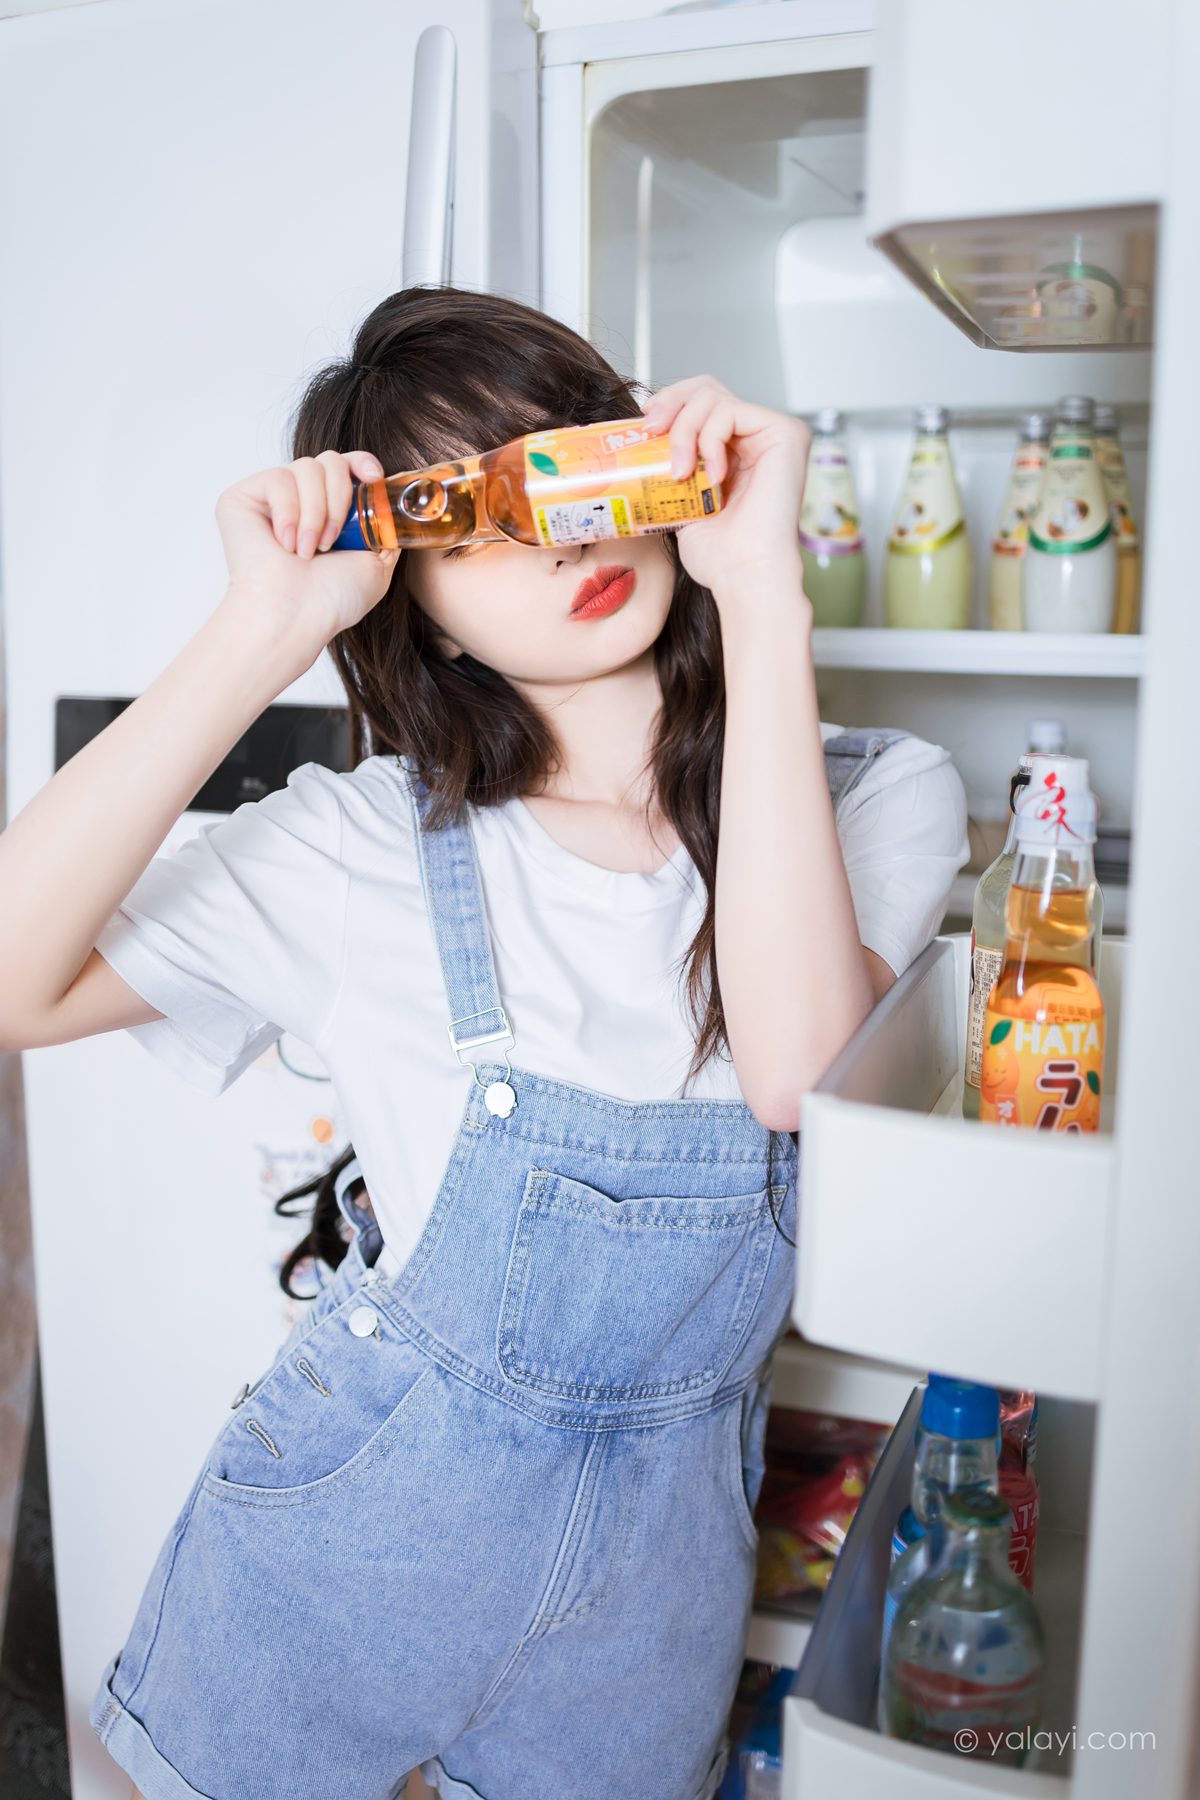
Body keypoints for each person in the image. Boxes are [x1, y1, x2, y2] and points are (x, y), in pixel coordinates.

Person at [0, 286, 967, 1800]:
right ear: (417, 606)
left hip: (654, 1594)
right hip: (345, 1550)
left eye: (568, 468)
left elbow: (794, 1074)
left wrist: (760, 593)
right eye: (471, 523)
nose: (560, 542)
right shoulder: (357, 845)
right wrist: (259, 631)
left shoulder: (876, 796)